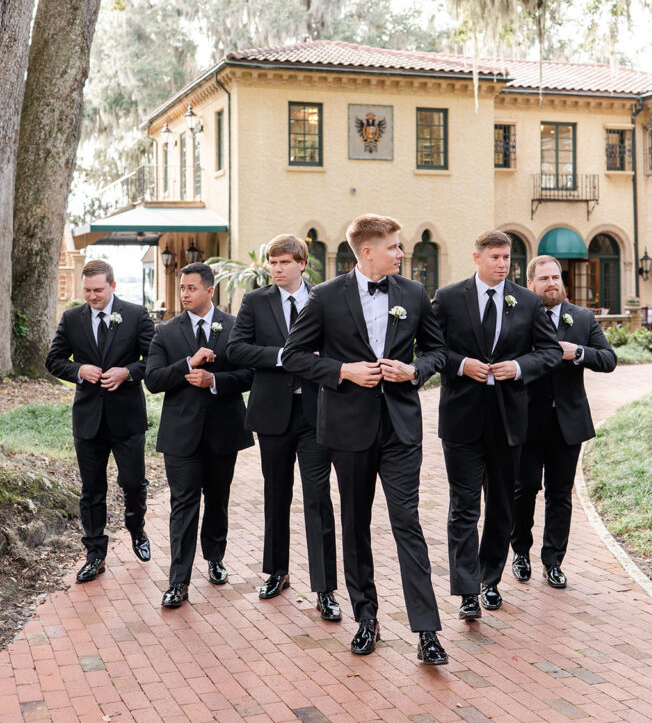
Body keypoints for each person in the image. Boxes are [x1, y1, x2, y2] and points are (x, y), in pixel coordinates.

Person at [282, 214, 448, 665]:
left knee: (407, 524)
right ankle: (366, 618)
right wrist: (342, 371)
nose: (402, 253)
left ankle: (427, 631)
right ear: (368, 251)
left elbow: (437, 352)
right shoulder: (325, 296)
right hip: (347, 429)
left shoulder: (413, 294)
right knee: (355, 524)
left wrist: (414, 371)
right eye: (395, 247)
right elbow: (294, 356)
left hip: (399, 429)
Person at [432, 230, 562, 620]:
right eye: (495, 257)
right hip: (461, 419)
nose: (503, 263)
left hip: (509, 420)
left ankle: (490, 580)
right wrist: (460, 364)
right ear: (476, 258)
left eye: (507, 257)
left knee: (502, 506)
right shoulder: (449, 298)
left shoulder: (526, 300)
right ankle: (467, 590)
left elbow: (552, 352)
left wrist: (520, 366)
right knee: (464, 506)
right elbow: (432, 349)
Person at [227, 234, 340, 620]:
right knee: (276, 494)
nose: (276, 269)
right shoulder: (255, 301)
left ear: (302, 264)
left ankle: (325, 589)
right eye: (273, 262)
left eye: (284, 263)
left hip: (316, 413)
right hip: (273, 413)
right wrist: (284, 356)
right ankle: (277, 571)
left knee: (317, 500)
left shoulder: (324, 299)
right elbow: (236, 348)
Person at [145, 262, 253, 608]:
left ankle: (215, 558)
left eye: (192, 288)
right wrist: (189, 364)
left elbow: (250, 375)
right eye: (181, 288)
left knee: (218, 499)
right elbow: (153, 380)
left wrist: (215, 381)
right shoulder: (165, 332)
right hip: (181, 435)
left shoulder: (235, 327)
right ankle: (178, 581)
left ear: (210, 291)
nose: (185, 294)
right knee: (183, 505)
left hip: (224, 430)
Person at [511, 255, 617, 589]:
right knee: (524, 489)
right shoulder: (518, 318)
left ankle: (553, 561)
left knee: (560, 495)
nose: (552, 284)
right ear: (531, 284)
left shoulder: (582, 318)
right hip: (527, 421)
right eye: (543, 279)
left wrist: (578, 352)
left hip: (568, 422)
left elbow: (609, 359)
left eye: (556, 277)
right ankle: (520, 554)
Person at [46, 259, 154, 583]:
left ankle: (137, 528)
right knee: (92, 490)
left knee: (133, 483)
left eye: (98, 290)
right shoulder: (71, 318)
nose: (92, 296)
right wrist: (79, 370)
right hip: (89, 419)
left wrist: (129, 372)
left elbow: (155, 360)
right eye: (87, 290)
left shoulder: (136, 315)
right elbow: (53, 360)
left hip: (127, 418)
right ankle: (95, 554)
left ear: (113, 286)